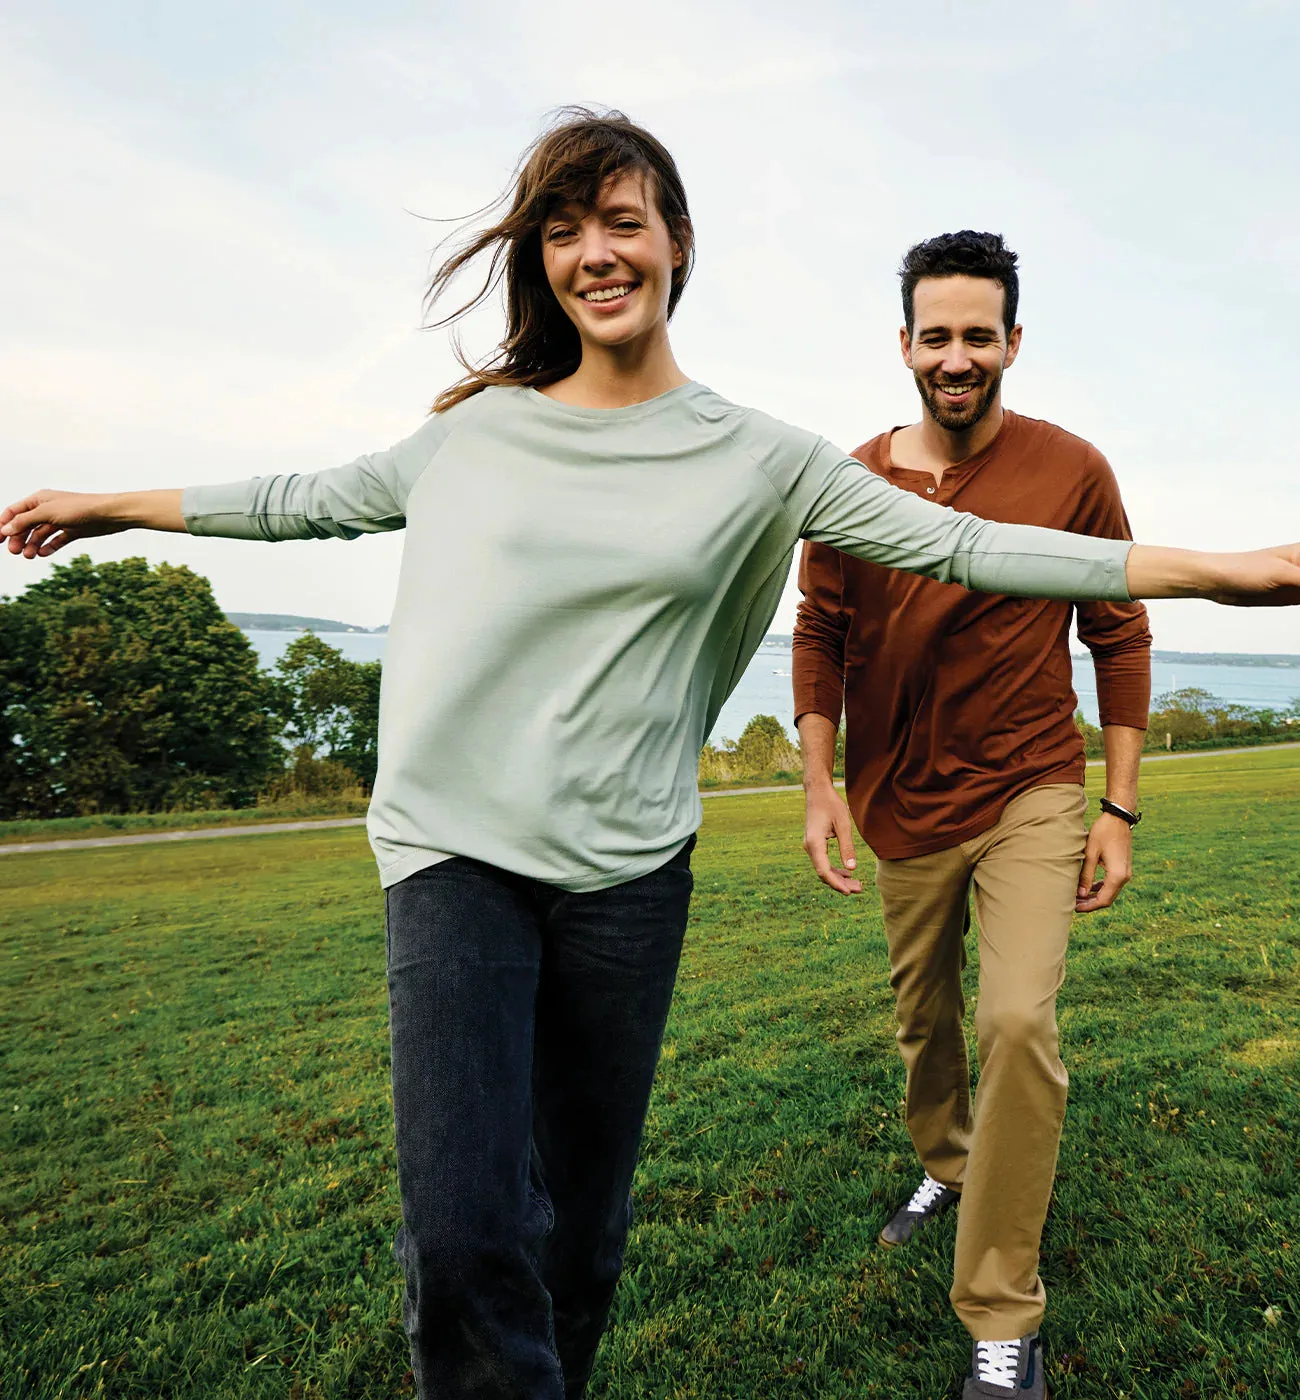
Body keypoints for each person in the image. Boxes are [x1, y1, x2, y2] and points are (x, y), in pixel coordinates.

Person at [5, 114, 1299, 1400]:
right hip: (452, 853)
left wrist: (1217, 572)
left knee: (578, 1232)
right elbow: (303, 501)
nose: (594, 253)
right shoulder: (478, 431)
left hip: (628, 875)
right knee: (462, 1234)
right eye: (562, 232)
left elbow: (971, 548)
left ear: (678, 241)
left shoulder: (764, 458)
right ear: (544, 263)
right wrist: (108, 504)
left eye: (621, 221)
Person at [793, 230, 1160, 1399]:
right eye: (936, 335)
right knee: (928, 1023)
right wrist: (817, 783)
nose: (958, 356)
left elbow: (1119, 630)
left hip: (1033, 786)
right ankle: (948, 1160)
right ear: (904, 344)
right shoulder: (849, 482)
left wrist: (1118, 805)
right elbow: (820, 634)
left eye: (978, 335)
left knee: (1015, 1020)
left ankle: (1000, 1310)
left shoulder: (1072, 470)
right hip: (899, 797)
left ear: (1012, 342)